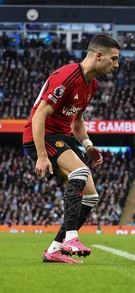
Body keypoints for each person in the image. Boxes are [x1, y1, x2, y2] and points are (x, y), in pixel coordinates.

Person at [22, 34, 120, 264]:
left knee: (91, 195)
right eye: (113, 59)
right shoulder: (66, 76)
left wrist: (88, 146)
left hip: (63, 137)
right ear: (99, 55)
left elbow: (77, 121)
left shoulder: (91, 84)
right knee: (80, 173)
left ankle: (55, 249)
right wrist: (42, 156)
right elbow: (39, 116)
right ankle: (71, 238)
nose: (116, 65)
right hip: (42, 134)